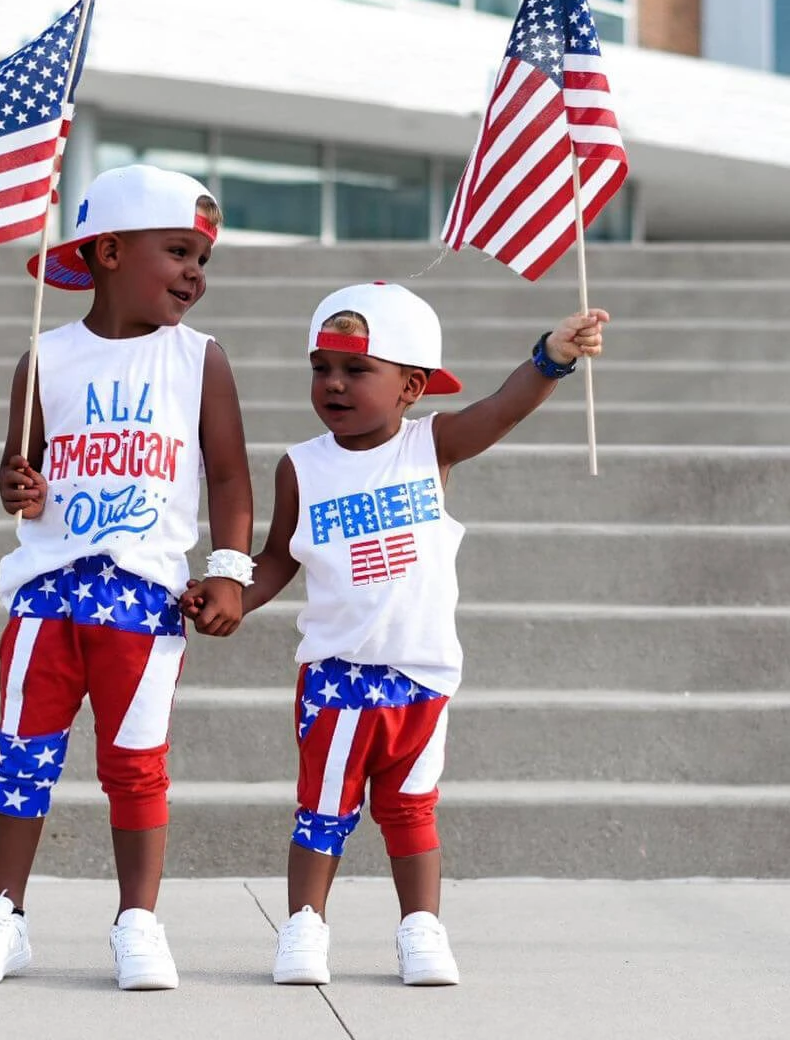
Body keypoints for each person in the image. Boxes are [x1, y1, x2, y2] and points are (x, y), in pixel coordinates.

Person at [181, 281, 608, 987]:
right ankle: (304, 930)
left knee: (411, 812)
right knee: (322, 809)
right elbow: (282, 554)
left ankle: (421, 931)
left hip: (421, 674)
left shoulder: (430, 445)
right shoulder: (302, 465)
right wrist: (234, 597)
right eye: (321, 368)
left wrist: (551, 359)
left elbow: (500, 410)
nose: (334, 385)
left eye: (357, 370)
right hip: (336, 674)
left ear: (411, 385)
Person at [0, 164, 254, 991]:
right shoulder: (44, 357)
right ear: (109, 250)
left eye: (203, 259)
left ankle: (139, 921)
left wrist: (228, 572)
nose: (195, 272)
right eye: (179, 251)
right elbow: (20, 469)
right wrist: (16, 483)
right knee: (22, 758)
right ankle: (1, 915)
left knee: (136, 763)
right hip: (46, 594)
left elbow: (227, 478)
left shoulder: (200, 361)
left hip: (143, 600)